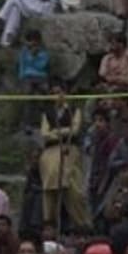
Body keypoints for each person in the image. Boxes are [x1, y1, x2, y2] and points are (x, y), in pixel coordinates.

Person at [41, 82, 92, 230]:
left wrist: (56, 132)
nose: (56, 96)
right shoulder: (47, 112)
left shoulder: (73, 110)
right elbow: (44, 134)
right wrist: (63, 131)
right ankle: (49, 222)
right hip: (50, 152)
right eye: (53, 93)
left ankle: (81, 224)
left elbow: (75, 130)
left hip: (69, 149)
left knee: (71, 186)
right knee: (50, 185)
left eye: (58, 92)